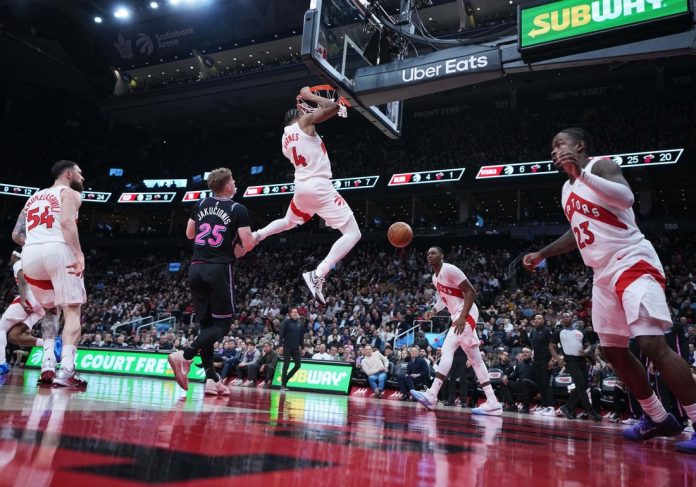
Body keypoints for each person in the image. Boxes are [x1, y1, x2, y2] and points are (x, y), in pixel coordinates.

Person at [523, 127, 696, 453]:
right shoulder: (566, 189)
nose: (555, 150)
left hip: (631, 260)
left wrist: (582, 175)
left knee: (651, 343)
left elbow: (626, 198)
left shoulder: (601, 166)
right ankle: (657, 418)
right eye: (552, 147)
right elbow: (578, 232)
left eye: (560, 144)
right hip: (601, 273)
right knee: (613, 351)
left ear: (580, 146)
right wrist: (543, 252)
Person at [251, 86, 361, 303]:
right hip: (319, 186)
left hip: (301, 188)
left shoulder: (284, 141)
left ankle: (258, 235)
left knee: (289, 221)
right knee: (353, 233)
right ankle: (319, 273)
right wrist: (309, 96)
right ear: (300, 113)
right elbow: (332, 106)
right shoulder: (303, 122)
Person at [168, 168, 256, 397]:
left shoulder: (200, 203)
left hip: (196, 268)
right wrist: (250, 242)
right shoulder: (237, 209)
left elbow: (190, 234)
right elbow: (247, 243)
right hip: (218, 270)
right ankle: (185, 355)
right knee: (222, 326)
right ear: (227, 186)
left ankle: (211, 379)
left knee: (206, 326)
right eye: (233, 180)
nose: (235, 183)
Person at [13, 160, 87, 387]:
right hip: (58, 249)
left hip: (30, 254)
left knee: (50, 310)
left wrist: (36, 243)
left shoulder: (33, 198)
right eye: (79, 173)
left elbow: (16, 234)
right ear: (68, 174)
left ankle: (47, 364)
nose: (82, 178)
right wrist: (79, 254)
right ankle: (66, 371)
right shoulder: (70, 193)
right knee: (72, 310)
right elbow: (66, 222)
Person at [410, 247, 502, 415]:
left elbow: (471, 292)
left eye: (433, 253)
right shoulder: (435, 278)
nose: (429, 255)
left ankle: (432, 394)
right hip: (457, 315)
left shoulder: (450, 269)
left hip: (466, 313)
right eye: (428, 253)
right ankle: (493, 402)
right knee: (476, 361)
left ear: (442, 256)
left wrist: (463, 316)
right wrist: (434, 310)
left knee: (447, 349)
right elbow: (444, 299)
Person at [0, 251, 48, 374]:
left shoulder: (19, 263)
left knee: (1, 327)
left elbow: (22, 280)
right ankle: (49, 344)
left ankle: (1, 363)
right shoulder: (31, 264)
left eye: (11, 256)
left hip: (29, 299)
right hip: (41, 307)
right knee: (13, 336)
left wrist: (22, 299)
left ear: (14, 255)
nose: (10, 258)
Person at [550, 314, 603, 421]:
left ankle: (567, 407)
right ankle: (591, 412)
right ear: (561, 320)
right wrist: (557, 358)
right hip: (570, 360)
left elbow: (588, 345)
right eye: (563, 317)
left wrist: (586, 351)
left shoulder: (580, 332)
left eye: (567, 316)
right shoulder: (559, 332)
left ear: (572, 318)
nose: (565, 318)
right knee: (580, 385)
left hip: (582, 360)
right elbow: (551, 346)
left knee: (584, 385)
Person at [529, 314, 555, 416]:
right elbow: (532, 345)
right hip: (536, 360)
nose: (537, 320)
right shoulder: (533, 331)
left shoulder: (547, 331)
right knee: (540, 383)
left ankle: (551, 407)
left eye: (539, 318)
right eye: (535, 318)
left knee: (545, 383)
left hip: (546, 359)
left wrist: (552, 359)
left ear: (543, 320)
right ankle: (544, 406)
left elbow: (553, 345)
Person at [279, 308, 303, 391]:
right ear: (290, 314)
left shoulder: (300, 323)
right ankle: (283, 385)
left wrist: (302, 347)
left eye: (296, 312)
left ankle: (285, 380)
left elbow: (301, 337)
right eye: (293, 312)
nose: (295, 313)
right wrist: (280, 345)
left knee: (298, 365)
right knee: (286, 365)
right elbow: (281, 334)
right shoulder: (286, 322)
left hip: (296, 348)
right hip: (287, 347)